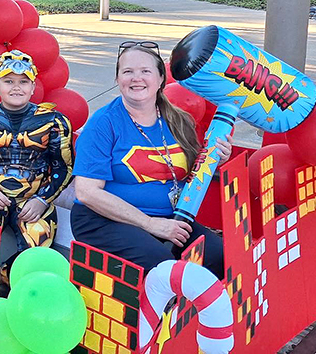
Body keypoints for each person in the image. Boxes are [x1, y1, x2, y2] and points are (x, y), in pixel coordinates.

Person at [71, 40, 231, 277]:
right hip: (104, 219)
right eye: (128, 71)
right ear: (117, 79)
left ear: (160, 79)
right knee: (162, 266)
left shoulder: (179, 121)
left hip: (168, 216)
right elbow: (87, 193)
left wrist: (217, 159)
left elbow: (191, 171)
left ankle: (196, 301)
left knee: (218, 255)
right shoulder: (103, 124)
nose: (136, 78)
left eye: (145, 71)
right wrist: (151, 224)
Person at [0, 50, 73, 285]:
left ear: (33, 87)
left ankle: (6, 280)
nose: (16, 88)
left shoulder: (55, 122)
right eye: (8, 81)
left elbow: (63, 168)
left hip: (33, 199)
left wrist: (42, 199)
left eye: (23, 82)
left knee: (35, 258)